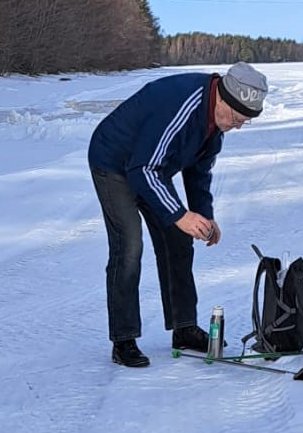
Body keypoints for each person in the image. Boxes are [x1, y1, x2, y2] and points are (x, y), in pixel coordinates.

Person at [87, 62, 268, 367]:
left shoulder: (215, 128)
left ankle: (184, 328)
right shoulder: (184, 107)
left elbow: (199, 174)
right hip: (115, 163)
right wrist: (180, 215)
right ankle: (124, 339)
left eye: (245, 121)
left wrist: (204, 217)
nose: (238, 126)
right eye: (238, 118)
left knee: (178, 239)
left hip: (151, 167)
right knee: (129, 245)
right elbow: (142, 170)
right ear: (222, 99)